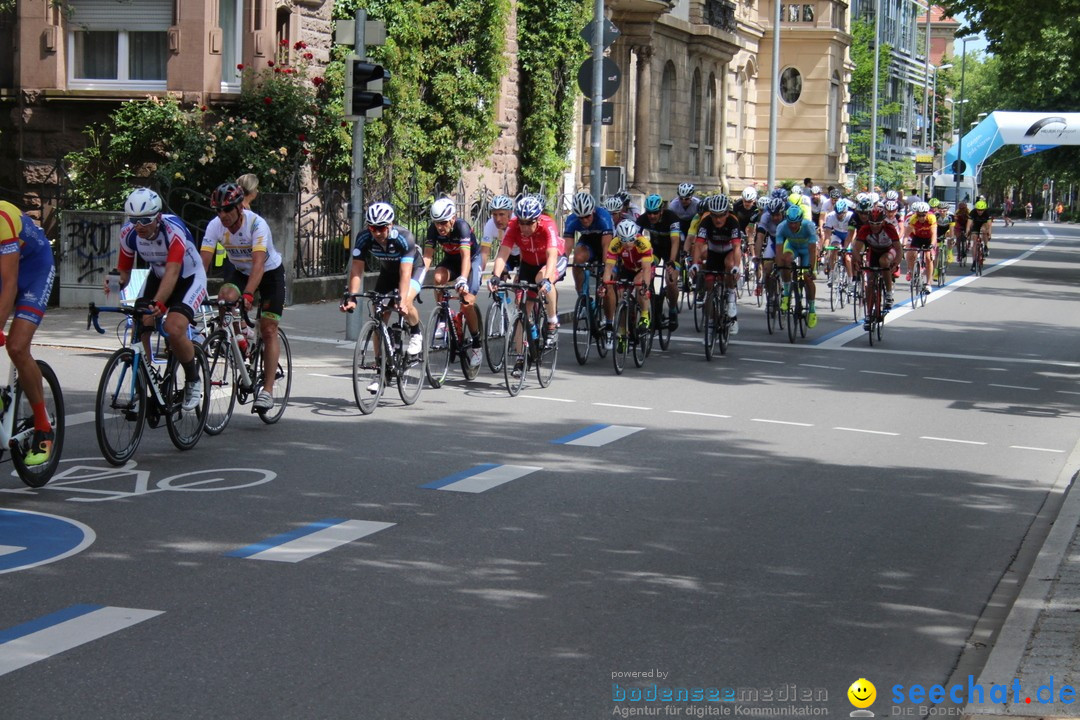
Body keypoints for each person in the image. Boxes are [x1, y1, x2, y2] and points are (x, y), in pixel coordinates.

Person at [109, 187, 207, 411]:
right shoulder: (129, 233)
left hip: (188, 277)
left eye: (145, 220)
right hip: (158, 275)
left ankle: (193, 380)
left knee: (173, 328)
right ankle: (145, 380)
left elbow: (173, 271)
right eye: (134, 220)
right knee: (141, 323)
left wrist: (160, 304)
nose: (139, 226)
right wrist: (112, 284)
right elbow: (123, 271)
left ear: (157, 217)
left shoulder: (173, 230)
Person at [199, 182, 285, 413]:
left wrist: (248, 294)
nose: (222, 215)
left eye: (227, 209)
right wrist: (192, 294)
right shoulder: (215, 226)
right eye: (218, 210)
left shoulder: (257, 224)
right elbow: (202, 264)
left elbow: (258, 265)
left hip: (268, 273)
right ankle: (239, 341)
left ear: (239, 207)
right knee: (224, 298)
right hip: (239, 270)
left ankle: (267, 391)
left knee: (268, 329)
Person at [340, 202, 426, 393]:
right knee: (378, 314)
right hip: (388, 274)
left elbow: (405, 274)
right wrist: (352, 296)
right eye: (372, 227)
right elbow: (356, 269)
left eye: (380, 228)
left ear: (390, 225)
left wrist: (401, 300)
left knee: (405, 303)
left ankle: (415, 333)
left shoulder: (404, 238)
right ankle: (382, 371)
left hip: (413, 270)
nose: (376, 232)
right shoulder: (363, 238)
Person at [0, 201, 56, 465]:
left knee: (17, 346)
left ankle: (43, 425)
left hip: (34, 270)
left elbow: (10, 284)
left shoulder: (3, 218)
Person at [490, 196, 564, 375]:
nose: (524, 227)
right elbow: (504, 252)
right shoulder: (514, 226)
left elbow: (552, 255)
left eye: (528, 223)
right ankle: (521, 357)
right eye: (521, 223)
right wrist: (495, 276)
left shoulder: (548, 225)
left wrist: (547, 279)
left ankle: (552, 322)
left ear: (537, 219)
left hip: (551, 261)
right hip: (528, 264)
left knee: (543, 281)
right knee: (522, 309)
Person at [423, 197, 483, 369]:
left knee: (466, 302)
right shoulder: (433, 230)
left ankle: (477, 344)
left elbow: (465, 257)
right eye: (436, 223)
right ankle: (443, 317)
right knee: (438, 278)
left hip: (471, 261)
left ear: (452, 218)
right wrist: (417, 279)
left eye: (443, 223)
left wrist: (463, 279)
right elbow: (428, 256)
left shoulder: (462, 227)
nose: (440, 227)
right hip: (451, 260)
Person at [691, 194, 743, 335]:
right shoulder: (706, 221)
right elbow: (698, 244)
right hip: (713, 252)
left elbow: (737, 247)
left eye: (721, 215)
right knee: (709, 289)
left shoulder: (733, 222)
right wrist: (695, 264)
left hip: (729, 251)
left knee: (729, 264)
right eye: (714, 215)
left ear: (727, 213)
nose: (717, 219)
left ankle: (731, 297)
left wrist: (736, 267)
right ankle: (711, 323)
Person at [601, 220, 654, 352]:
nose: (627, 243)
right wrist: (604, 285)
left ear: (635, 236)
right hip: (628, 268)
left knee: (639, 285)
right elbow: (608, 268)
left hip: (643, 268)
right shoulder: (615, 244)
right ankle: (622, 333)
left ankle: (645, 315)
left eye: (630, 240)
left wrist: (645, 287)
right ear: (619, 238)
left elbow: (647, 270)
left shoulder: (643, 243)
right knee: (621, 296)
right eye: (624, 240)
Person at [636, 193, 682, 329]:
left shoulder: (671, 218)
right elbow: (635, 238)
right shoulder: (643, 219)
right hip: (655, 249)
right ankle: (649, 296)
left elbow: (675, 242)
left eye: (655, 213)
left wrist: (672, 262)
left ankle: (673, 309)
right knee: (646, 271)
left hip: (671, 251)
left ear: (661, 210)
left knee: (670, 281)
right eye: (649, 213)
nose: (652, 216)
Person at [852, 206, 902, 322]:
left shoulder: (889, 228)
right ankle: (869, 314)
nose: (875, 226)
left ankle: (889, 294)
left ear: (883, 221)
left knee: (884, 262)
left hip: (888, 250)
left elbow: (899, 249)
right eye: (872, 223)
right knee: (870, 281)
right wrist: (858, 261)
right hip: (874, 251)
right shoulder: (865, 229)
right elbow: (856, 249)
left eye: (878, 223)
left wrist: (896, 263)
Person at [776, 205, 821, 328]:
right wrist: (780, 267)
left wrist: (812, 269)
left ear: (800, 221)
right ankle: (786, 294)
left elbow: (812, 250)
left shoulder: (809, 226)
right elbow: (779, 250)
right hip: (792, 247)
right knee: (785, 260)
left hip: (807, 251)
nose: (793, 226)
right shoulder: (782, 227)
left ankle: (811, 309)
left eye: (795, 223)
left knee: (806, 277)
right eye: (790, 223)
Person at [565, 191, 615, 299]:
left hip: (605, 245)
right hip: (588, 244)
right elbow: (567, 247)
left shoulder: (603, 216)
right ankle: (582, 297)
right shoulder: (571, 220)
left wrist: (606, 269)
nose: (584, 220)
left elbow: (606, 246)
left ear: (593, 211)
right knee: (577, 259)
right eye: (581, 217)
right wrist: (562, 264)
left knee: (608, 283)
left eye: (587, 216)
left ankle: (609, 316)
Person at [480, 194, 516, 275]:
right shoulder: (490, 224)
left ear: (510, 213)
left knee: (521, 282)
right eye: (495, 215)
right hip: (506, 254)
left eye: (501, 214)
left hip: (523, 253)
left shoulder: (517, 222)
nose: (498, 219)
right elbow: (484, 252)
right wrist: (479, 273)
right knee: (498, 276)